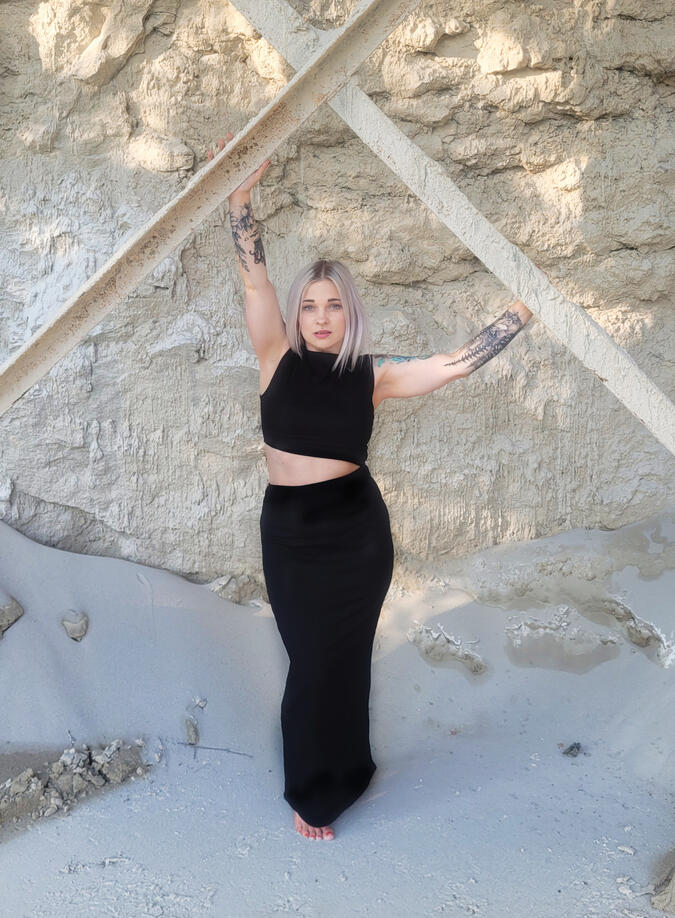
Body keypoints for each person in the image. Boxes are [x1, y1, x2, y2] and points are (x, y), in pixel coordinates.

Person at [204, 133, 536, 840]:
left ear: (348, 313)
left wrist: (522, 311)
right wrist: (239, 200)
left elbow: (451, 364)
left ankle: (335, 784)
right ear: (297, 314)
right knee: (309, 660)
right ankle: (315, 782)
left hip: (354, 534)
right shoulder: (274, 356)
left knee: (343, 659)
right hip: (289, 532)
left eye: (334, 306)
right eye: (310, 306)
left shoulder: (372, 374)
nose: (321, 317)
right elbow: (255, 281)